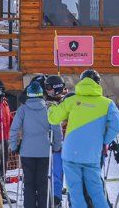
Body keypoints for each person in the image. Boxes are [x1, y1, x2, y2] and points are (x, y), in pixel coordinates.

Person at [48, 69, 119, 208]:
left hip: (71, 154)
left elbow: (54, 118)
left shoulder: (72, 100)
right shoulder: (107, 103)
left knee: (76, 193)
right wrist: (104, 140)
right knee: (97, 192)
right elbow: (116, 125)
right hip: (92, 154)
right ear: (97, 83)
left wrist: (51, 106)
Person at [9, 82, 62, 208]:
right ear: (41, 94)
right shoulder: (48, 108)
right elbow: (57, 130)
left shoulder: (23, 109)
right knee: (43, 182)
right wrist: (56, 146)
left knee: (29, 183)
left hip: (27, 151)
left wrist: (13, 146)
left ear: (29, 95)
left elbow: (14, 129)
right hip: (44, 151)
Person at [44, 75, 68, 207]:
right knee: (55, 174)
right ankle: (55, 198)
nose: (47, 90)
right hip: (52, 146)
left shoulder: (57, 103)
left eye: (49, 88)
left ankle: (55, 198)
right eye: (46, 87)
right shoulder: (50, 104)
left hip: (52, 146)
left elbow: (57, 126)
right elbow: (56, 127)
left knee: (55, 174)